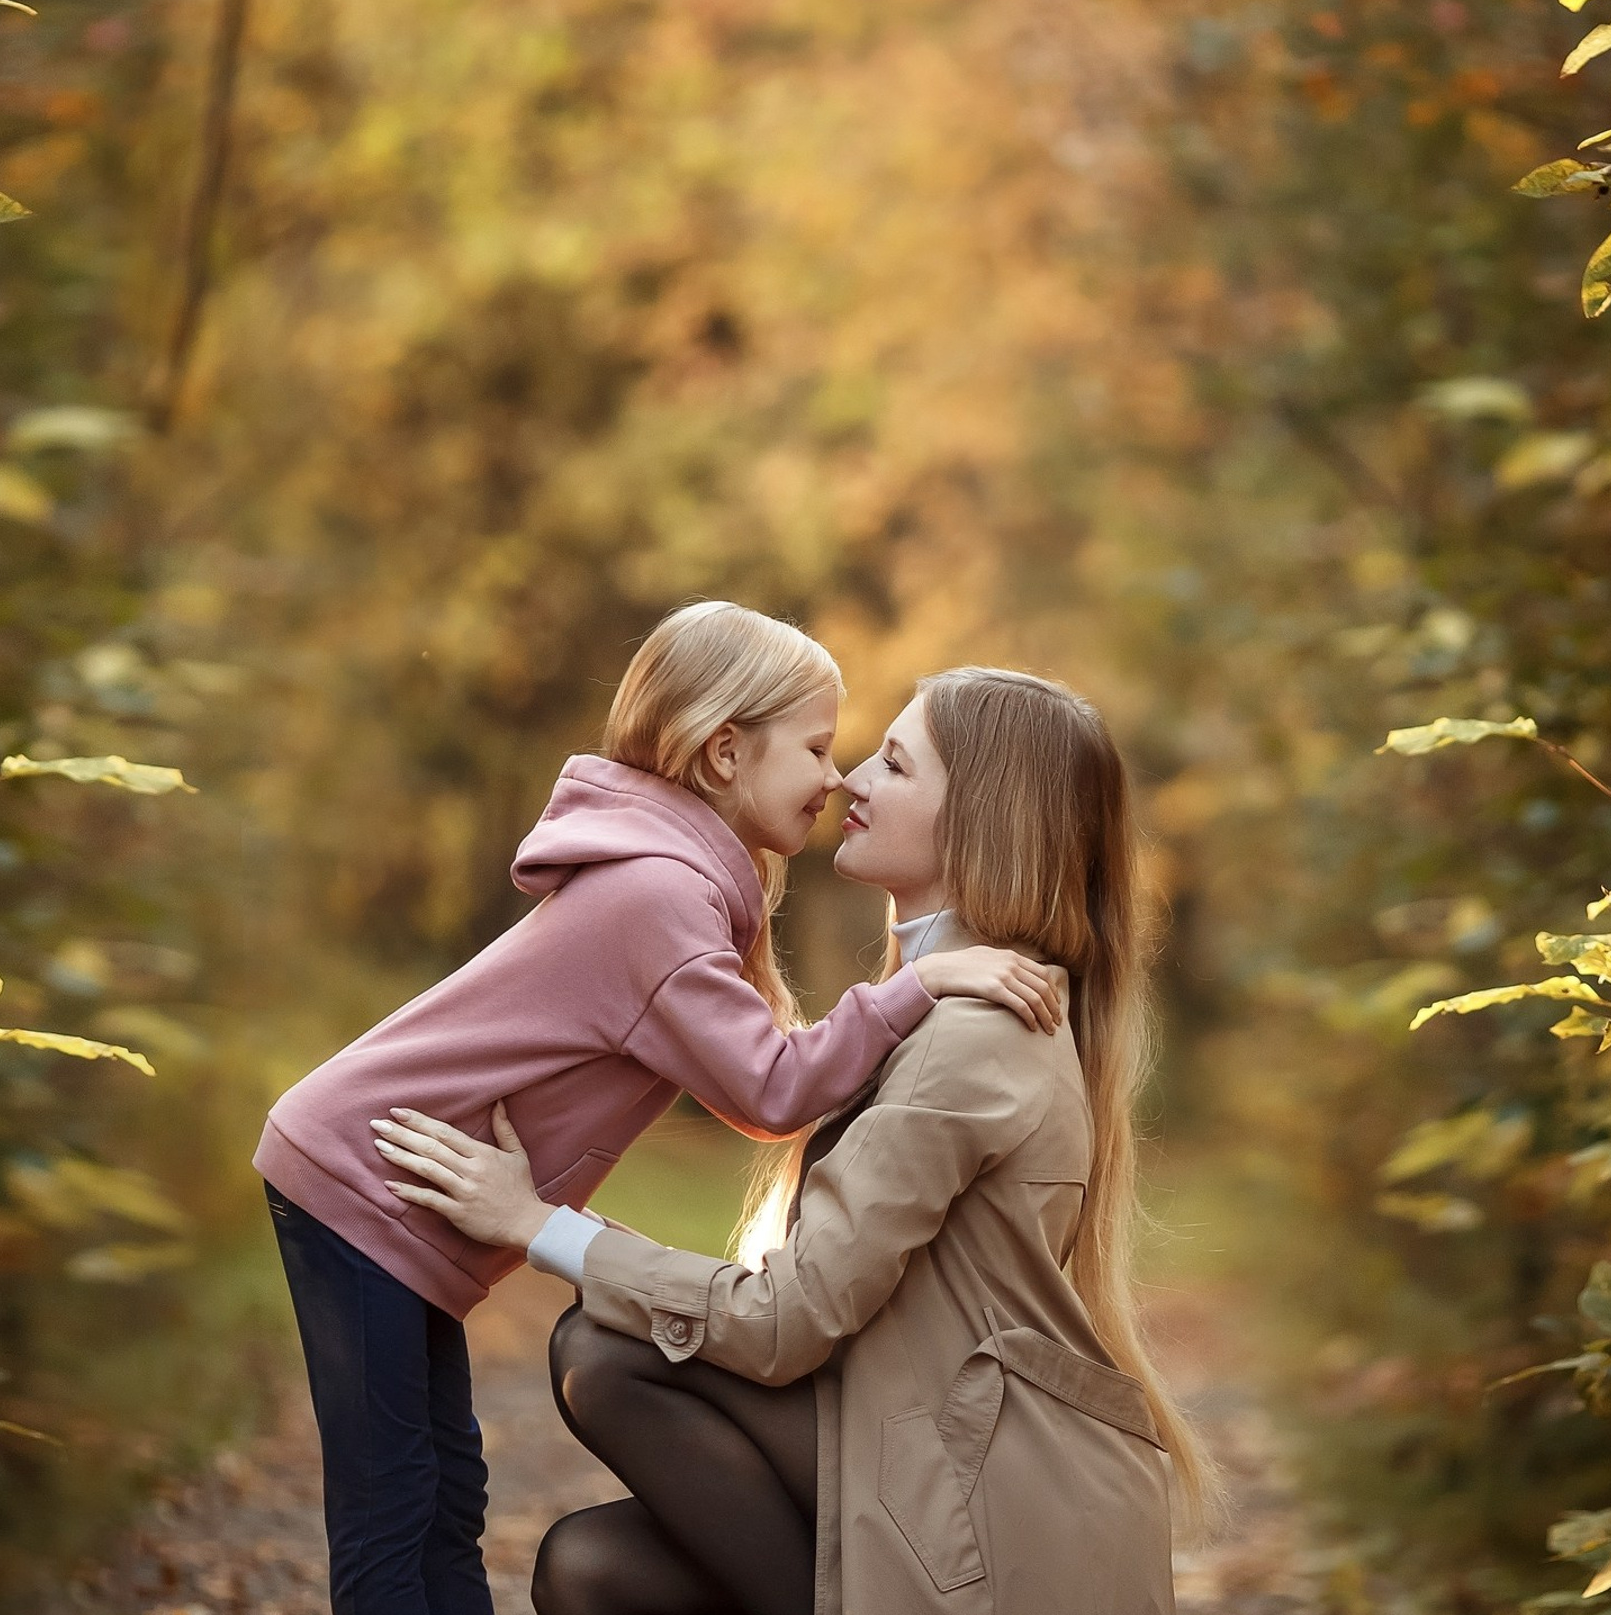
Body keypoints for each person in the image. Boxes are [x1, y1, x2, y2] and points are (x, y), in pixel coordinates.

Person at [254, 606, 1064, 1615]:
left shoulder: (679, 883)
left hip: (384, 1184)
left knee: (445, 1491)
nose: (834, 778)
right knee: (392, 1501)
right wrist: (922, 984)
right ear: (725, 752)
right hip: (356, 1173)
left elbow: (768, 1085)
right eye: (816, 748)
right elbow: (773, 1092)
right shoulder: (659, 898)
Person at [378, 666, 1221, 1615]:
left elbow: (788, 1321)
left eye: (894, 766)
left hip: (984, 1513)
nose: (849, 783)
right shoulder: (947, 1003)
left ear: (980, 821)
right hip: (920, 1456)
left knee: (605, 1357)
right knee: (590, 1568)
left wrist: (539, 1225)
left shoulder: (978, 1036)